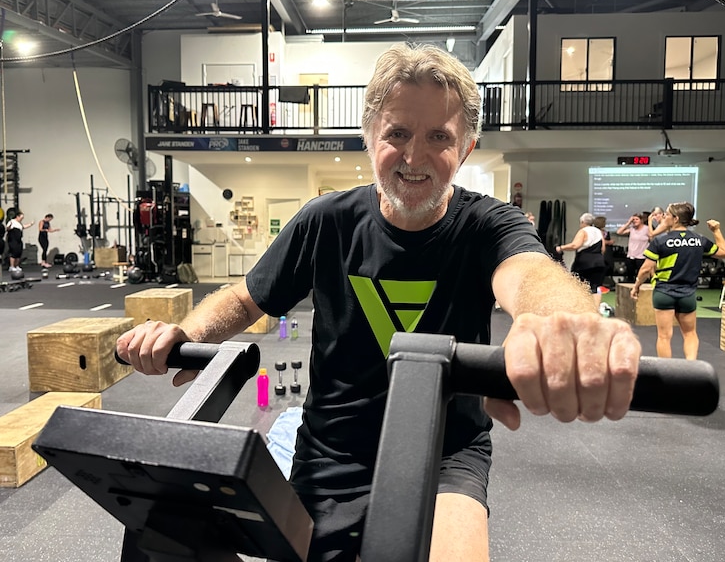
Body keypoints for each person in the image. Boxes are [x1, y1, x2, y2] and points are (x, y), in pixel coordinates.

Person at [116, 43, 641, 562]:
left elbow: (528, 274)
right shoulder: (326, 220)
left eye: (439, 136)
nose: (414, 156)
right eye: (397, 134)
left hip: (445, 453)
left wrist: (562, 320)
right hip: (331, 452)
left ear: (467, 147)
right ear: (370, 137)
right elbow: (245, 298)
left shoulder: (488, 224)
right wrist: (188, 334)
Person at [631, 202, 725, 360]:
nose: (664, 217)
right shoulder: (699, 240)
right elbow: (724, 253)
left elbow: (645, 269)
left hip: (664, 293)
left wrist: (636, 287)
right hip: (687, 294)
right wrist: (716, 231)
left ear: (675, 219)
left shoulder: (660, 241)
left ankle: (667, 374)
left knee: (664, 336)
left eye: (667, 215)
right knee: (690, 334)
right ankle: (690, 369)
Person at [554, 213, 606, 310]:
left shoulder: (583, 231)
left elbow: (575, 245)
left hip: (584, 263)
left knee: (577, 286)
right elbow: (603, 249)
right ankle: (595, 310)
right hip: (599, 262)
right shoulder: (599, 232)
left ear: (582, 222)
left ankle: (579, 309)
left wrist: (561, 248)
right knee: (595, 288)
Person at [616, 212, 650, 282]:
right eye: (633, 219)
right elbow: (619, 232)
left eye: (636, 219)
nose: (634, 221)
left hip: (642, 256)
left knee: (641, 276)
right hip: (631, 256)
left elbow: (652, 238)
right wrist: (628, 222)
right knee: (630, 276)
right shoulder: (632, 229)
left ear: (641, 220)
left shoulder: (646, 229)